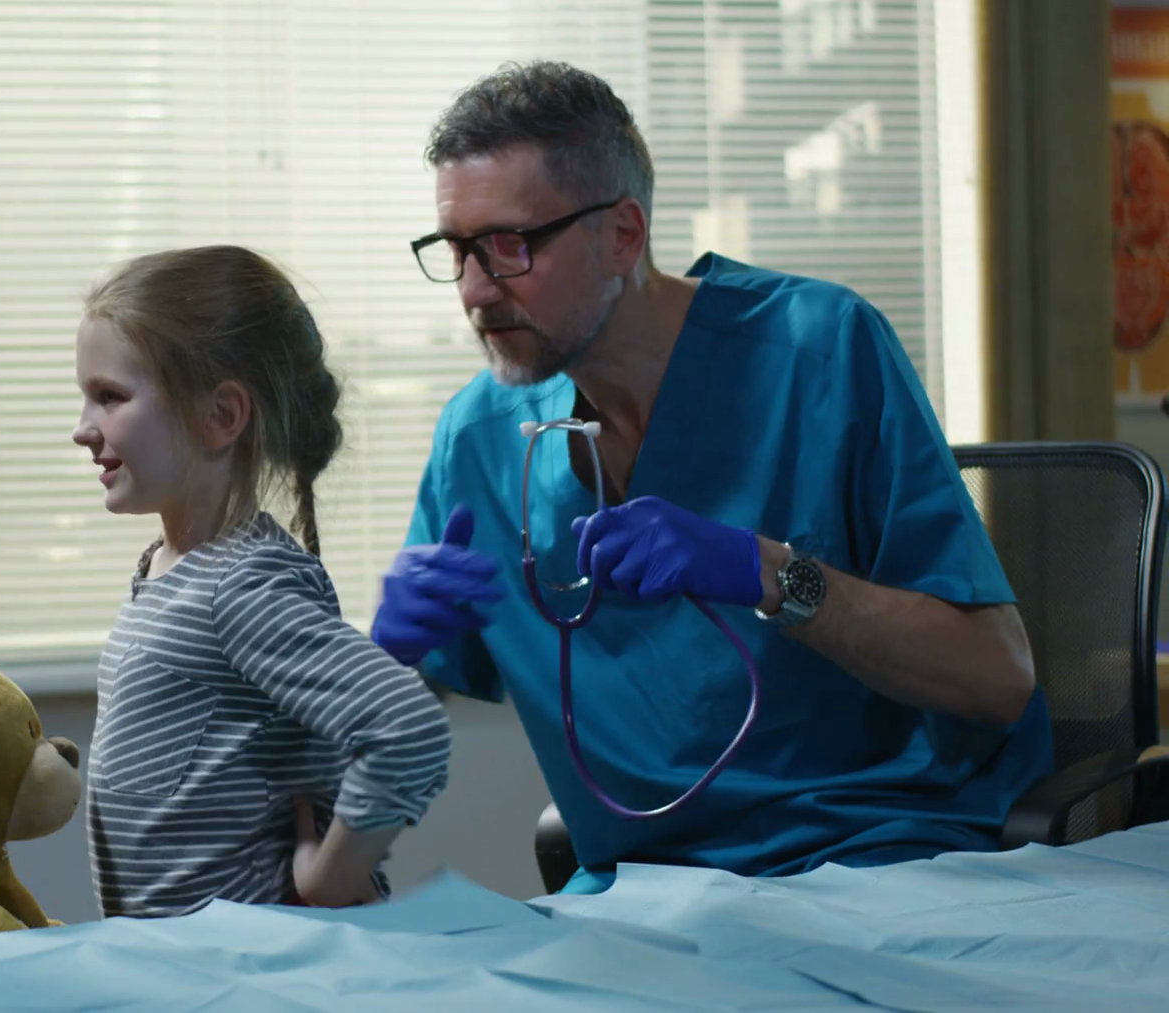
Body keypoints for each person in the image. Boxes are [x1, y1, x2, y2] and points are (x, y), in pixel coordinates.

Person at [370, 62, 1053, 894]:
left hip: (880, 856)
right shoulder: (478, 438)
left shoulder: (821, 351)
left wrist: (768, 572)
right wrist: (389, 655)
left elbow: (996, 678)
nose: (475, 291)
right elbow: (406, 712)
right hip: (640, 890)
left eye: (509, 246)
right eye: (456, 250)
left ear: (623, 234)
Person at [71, 245, 453, 917]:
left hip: (249, 963)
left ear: (221, 416)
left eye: (110, 397)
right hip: (183, 960)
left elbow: (405, 725)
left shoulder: (241, 584)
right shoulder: (168, 571)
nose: (82, 429)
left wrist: (331, 878)